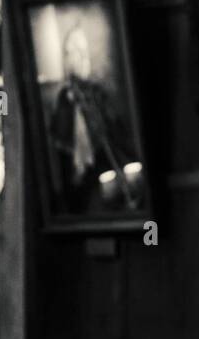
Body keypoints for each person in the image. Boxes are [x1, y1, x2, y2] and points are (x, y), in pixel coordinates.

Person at [49, 23, 137, 214]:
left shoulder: (100, 94)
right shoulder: (64, 98)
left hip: (108, 179)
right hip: (80, 188)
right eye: (72, 52)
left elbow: (117, 138)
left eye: (82, 51)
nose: (80, 57)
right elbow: (60, 144)